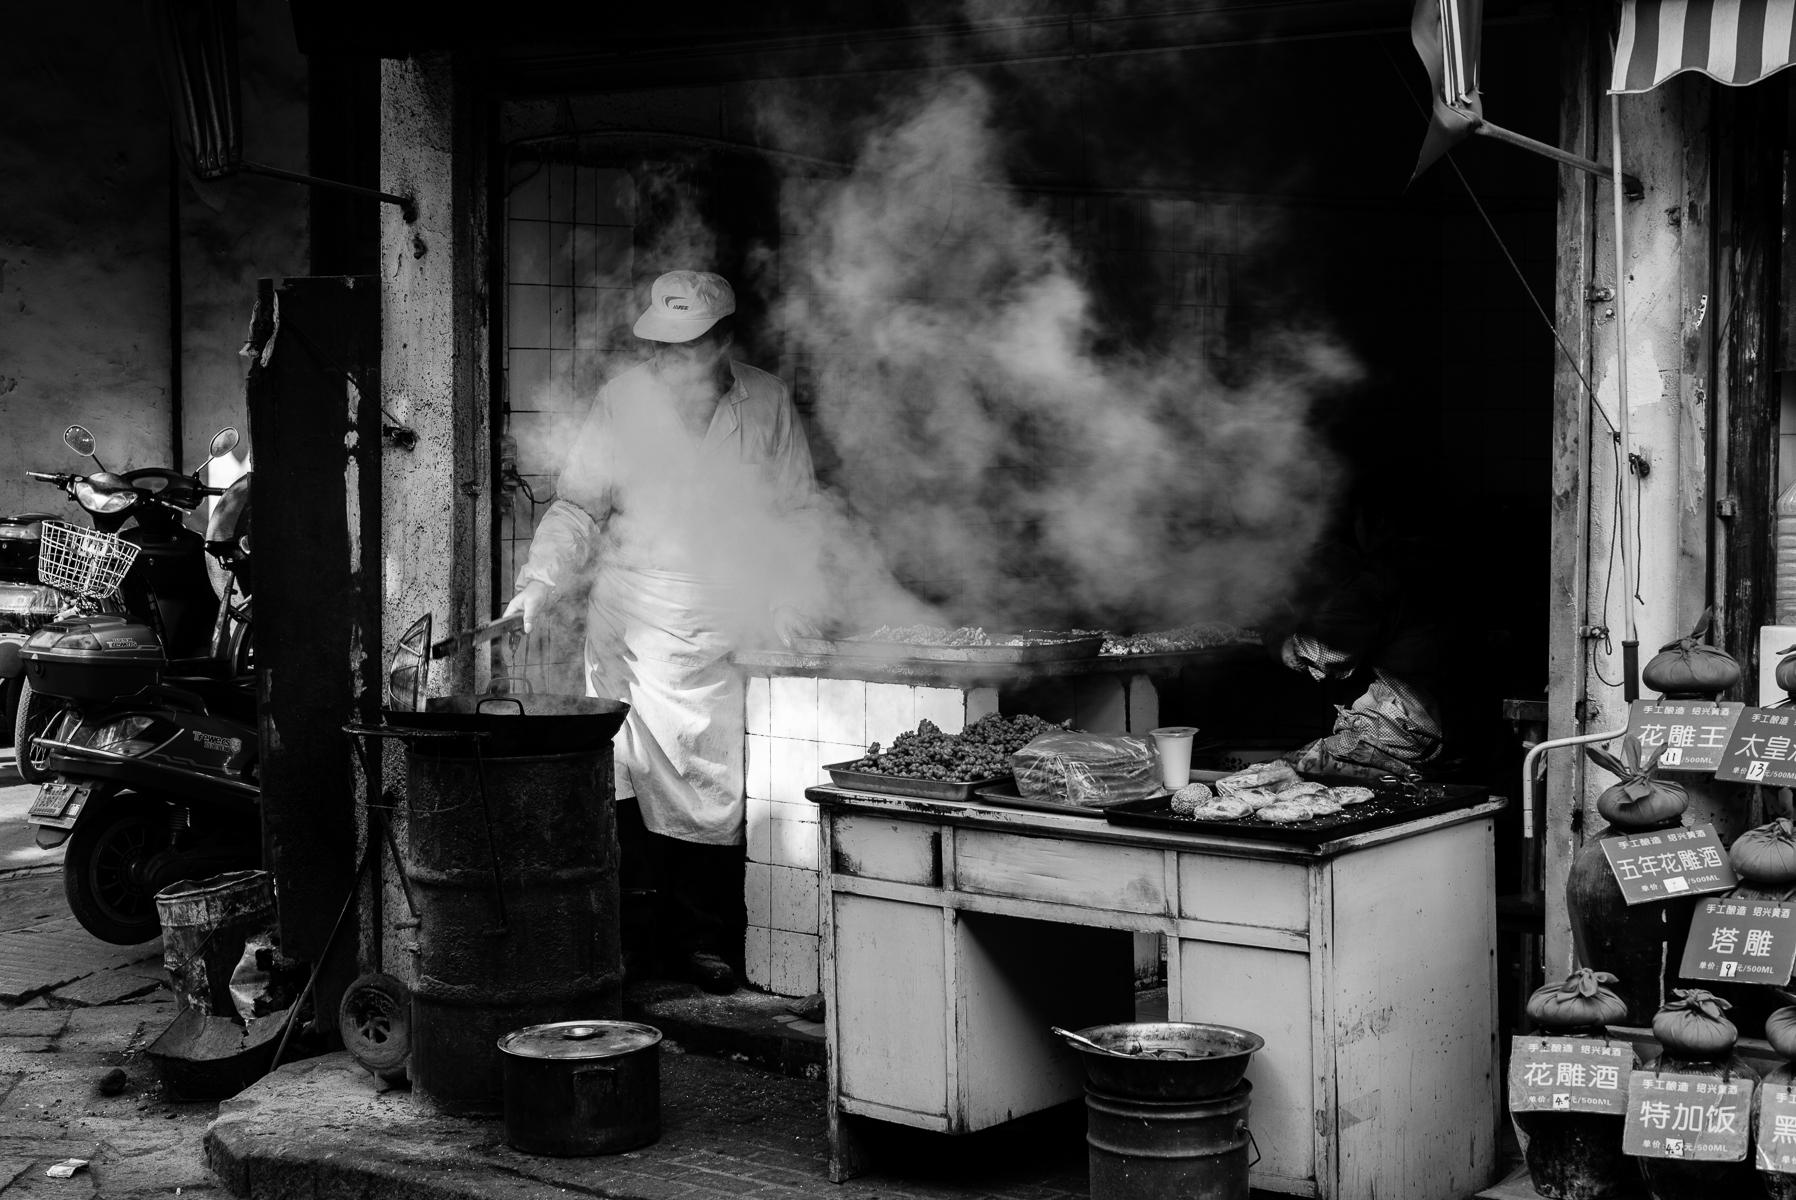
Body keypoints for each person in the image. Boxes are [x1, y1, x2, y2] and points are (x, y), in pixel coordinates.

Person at [503, 269, 821, 994]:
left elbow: (799, 513)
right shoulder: (624, 402)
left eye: (688, 347)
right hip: (632, 625)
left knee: (717, 788)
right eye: (661, 346)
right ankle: (632, 950)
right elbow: (579, 508)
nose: (671, 361)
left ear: (723, 342)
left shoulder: (766, 401)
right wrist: (538, 584)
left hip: (723, 622)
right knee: (627, 783)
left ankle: (704, 941)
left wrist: (790, 599)